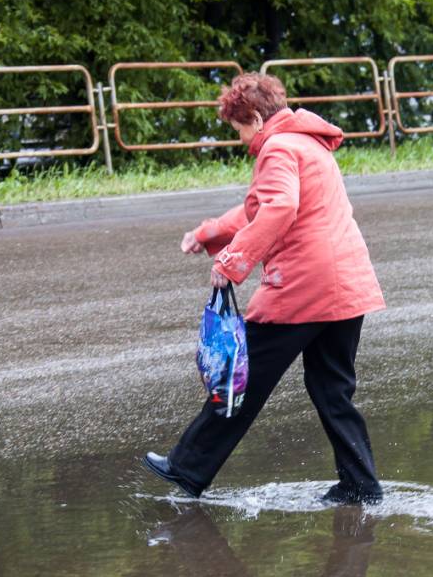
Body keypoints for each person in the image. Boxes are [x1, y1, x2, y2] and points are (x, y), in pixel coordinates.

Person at [143, 72, 386, 504]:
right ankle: (360, 485)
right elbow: (259, 206)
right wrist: (208, 234)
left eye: (238, 128)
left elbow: (277, 208)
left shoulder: (277, 147)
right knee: (333, 390)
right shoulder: (305, 141)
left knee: (242, 378)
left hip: (303, 287)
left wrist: (233, 262)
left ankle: (187, 468)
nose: (240, 138)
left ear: (254, 117)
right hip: (346, 285)